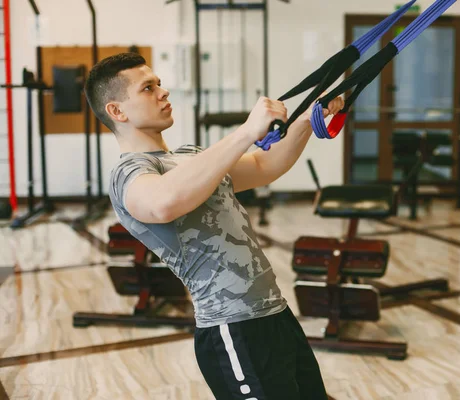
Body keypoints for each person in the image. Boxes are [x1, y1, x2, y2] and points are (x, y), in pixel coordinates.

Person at [84, 52, 344, 400]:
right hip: (233, 329)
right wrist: (247, 131)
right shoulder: (130, 173)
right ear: (117, 111)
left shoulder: (192, 155)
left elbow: (265, 166)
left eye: (159, 83)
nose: (163, 92)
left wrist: (311, 117)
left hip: (275, 313)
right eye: (148, 88)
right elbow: (162, 202)